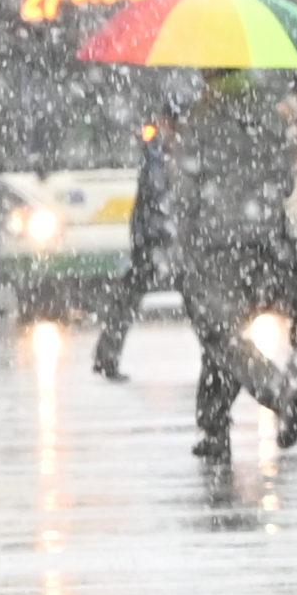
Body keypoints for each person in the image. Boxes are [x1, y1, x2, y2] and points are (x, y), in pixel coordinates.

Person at [168, 69, 297, 461]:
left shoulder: (200, 119)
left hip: (215, 245)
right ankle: (214, 427)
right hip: (264, 242)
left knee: (220, 334)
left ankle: (278, 391)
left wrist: (184, 244)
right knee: (223, 334)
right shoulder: (269, 113)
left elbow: (185, 191)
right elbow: (284, 181)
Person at [90, 92, 180, 381]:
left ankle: (106, 356)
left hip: (158, 237)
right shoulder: (159, 154)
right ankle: (106, 357)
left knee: (128, 299)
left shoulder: (162, 151)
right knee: (129, 299)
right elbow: (159, 195)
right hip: (155, 238)